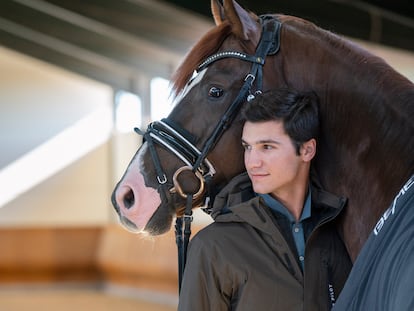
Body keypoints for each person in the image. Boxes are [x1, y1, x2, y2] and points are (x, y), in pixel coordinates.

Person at [177, 89, 352, 311]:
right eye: (247, 147)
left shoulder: (341, 234)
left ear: (307, 150)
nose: (252, 162)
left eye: (267, 147)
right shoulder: (213, 246)